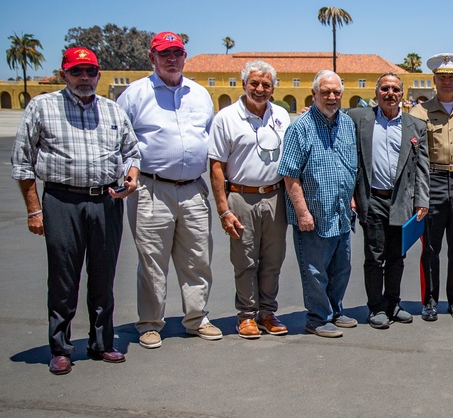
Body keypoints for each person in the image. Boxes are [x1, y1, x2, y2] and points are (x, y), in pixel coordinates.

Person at [12, 47, 139, 375]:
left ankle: (102, 343)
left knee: (103, 276)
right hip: (61, 201)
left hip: (106, 201)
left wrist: (131, 175)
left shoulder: (112, 110)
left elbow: (132, 151)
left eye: (91, 72)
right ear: (63, 74)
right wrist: (34, 210)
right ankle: (61, 347)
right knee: (64, 277)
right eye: (77, 72)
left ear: (99, 74)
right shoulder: (42, 107)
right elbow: (23, 162)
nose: (85, 78)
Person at [118, 32, 219, 348]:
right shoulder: (135, 95)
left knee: (198, 257)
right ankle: (149, 322)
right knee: (152, 260)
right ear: (152, 58)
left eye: (177, 52)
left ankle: (196, 318)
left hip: (192, 189)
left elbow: (210, 138)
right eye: (165, 53)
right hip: (151, 188)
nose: (172, 58)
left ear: (185, 56)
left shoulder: (200, 94)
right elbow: (119, 141)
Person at [208, 60, 290, 340]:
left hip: (275, 196)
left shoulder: (281, 115)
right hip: (242, 197)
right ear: (244, 84)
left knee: (273, 260)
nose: (260, 89)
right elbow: (216, 165)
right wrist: (222, 208)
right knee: (245, 260)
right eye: (254, 83)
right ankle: (245, 315)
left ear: (273, 88)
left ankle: (267, 312)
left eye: (266, 84)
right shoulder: (226, 117)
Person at [277, 70, 359, 338]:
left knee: (341, 268)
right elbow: (290, 175)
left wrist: (352, 200)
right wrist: (302, 212)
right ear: (314, 95)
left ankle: (335, 310)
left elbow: (350, 167)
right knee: (315, 271)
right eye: (325, 92)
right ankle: (316, 317)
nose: (331, 97)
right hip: (314, 214)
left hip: (341, 212)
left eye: (336, 92)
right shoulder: (299, 128)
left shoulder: (347, 124)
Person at [349, 73, 429, 329]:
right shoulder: (358, 119)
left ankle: (393, 303)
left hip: (401, 202)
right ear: (376, 93)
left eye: (395, 89)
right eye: (385, 88)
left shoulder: (416, 126)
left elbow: (422, 168)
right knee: (374, 257)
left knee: (397, 256)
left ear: (402, 94)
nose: (390, 93)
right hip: (372, 198)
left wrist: (422, 199)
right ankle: (376, 308)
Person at [408, 54, 453, 321]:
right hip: (432, 180)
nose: (447, 82)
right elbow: (413, 155)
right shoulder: (418, 112)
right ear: (434, 80)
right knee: (431, 248)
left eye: (452, 77)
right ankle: (429, 301)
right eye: (442, 77)